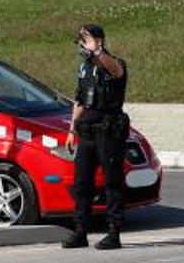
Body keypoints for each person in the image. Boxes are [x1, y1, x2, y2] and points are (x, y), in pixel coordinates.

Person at [62, 23, 129, 251]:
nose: (83, 46)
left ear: (98, 41)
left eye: (86, 41)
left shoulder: (114, 63)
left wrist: (98, 51)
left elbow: (116, 72)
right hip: (87, 133)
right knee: (82, 184)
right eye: (81, 42)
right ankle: (80, 231)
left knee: (112, 183)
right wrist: (72, 129)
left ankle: (114, 233)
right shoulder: (85, 68)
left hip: (108, 131)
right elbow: (80, 100)